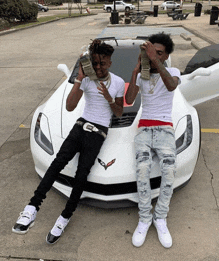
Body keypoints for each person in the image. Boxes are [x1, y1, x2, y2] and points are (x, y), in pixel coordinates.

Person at [12, 39, 125, 244]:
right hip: (80, 126)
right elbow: (70, 107)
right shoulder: (88, 79)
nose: (98, 67)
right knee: (57, 164)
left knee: (81, 175)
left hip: (98, 133)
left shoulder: (117, 82)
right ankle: (32, 208)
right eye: (95, 63)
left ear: (110, 62)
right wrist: (80, 80)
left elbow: (118, 112)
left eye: (102, 63)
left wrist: (109, 97)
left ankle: (64, 217)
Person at [125, 32, 181, 249]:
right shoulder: (142, 75)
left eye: (158, 53)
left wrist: (154, 59)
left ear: (166, 56)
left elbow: (171, 86)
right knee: (142, 169)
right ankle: (145, 217)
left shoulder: (173, 72)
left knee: (169, 171)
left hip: (165, 128)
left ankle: (160, 217)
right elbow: (129, 101)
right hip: (144, 129)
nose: (153, 56)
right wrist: (135, 72)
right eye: (150, 52)